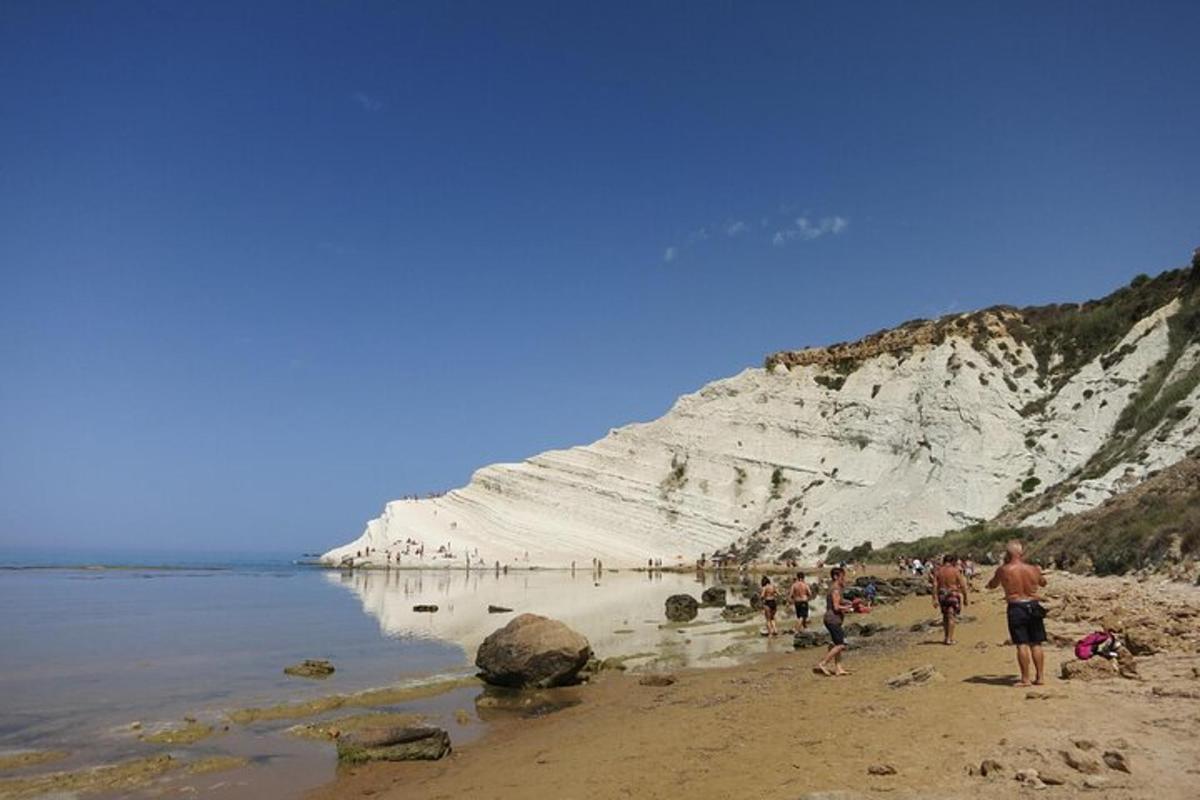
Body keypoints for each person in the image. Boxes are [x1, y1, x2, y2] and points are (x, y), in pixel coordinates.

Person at [986, 540, 1048, 687]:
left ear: (1008, 554)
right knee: (1036, 643)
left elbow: (993, 584)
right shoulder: (1033, 568)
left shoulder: (1004, 569)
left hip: (1016, 606)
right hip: (1033, 605)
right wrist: (1039, 574)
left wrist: (990, 584)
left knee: (1022, 643)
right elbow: (1043, 583)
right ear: (1021, 553)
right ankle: (1040, 677)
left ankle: (1025, 679)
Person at [813, 567, 855, 676]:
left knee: (836, 644)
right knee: (841, 645)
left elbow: (839, 601)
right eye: (842, 576)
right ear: (836, 577)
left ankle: (838, 668)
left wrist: (850, 603)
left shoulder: (836, 588)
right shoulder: (835, 588)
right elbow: (836, 607)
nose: (844, 578)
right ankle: (823, 663)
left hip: (833, 619)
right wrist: (848, 609)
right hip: (832, 620)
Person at [932, 554, 969, 645]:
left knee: (945, 617)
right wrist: (965, 598)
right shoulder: (955, 571)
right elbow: (963, 585)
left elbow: (935, 586)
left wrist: (935, 599)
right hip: (953, 594)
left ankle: (946, 637)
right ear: (952, 561)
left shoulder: (938, 572)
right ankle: (950, 639)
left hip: (942, 595)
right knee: (951, 616)